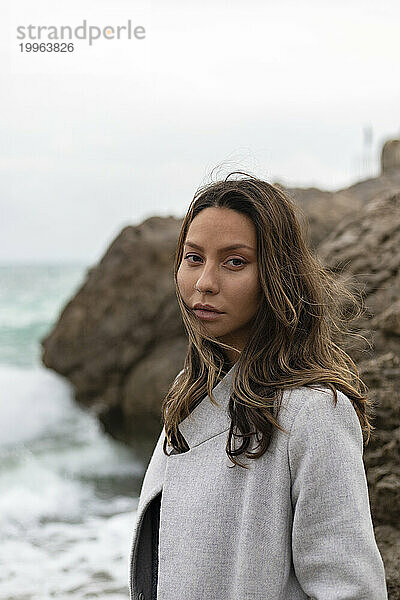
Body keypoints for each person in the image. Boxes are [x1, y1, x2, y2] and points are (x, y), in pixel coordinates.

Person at [129, 173, 388, 600]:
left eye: (234, 262)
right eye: (194, 258)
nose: (205, 283)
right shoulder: (190, 392)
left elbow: (352, 589)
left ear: (275, 274)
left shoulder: (314, 412)